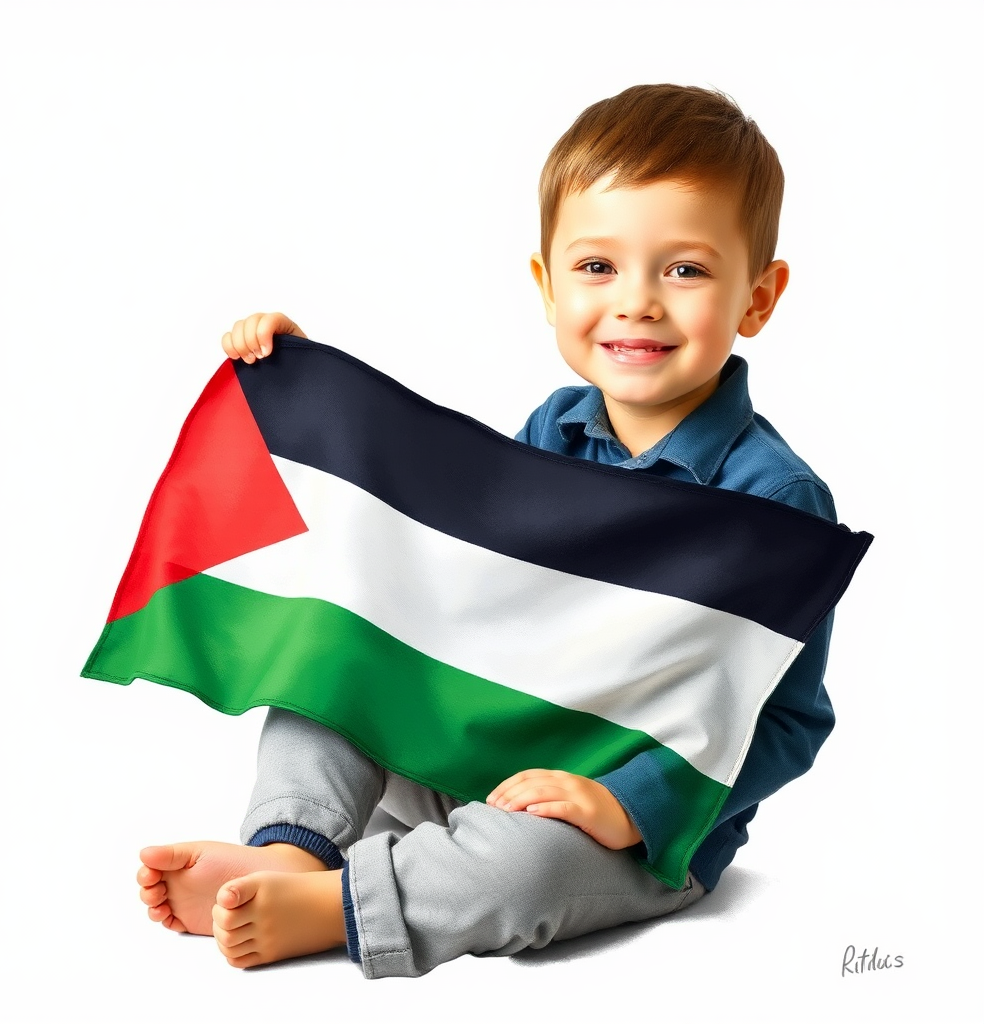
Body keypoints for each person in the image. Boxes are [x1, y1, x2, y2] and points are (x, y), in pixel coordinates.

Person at [136, 83, 838, 978]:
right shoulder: (552, 429)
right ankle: (291, 848)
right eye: (597, 268)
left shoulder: (773, 501)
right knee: (334, 665)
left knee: (526, 868)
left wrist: (624, 804)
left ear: (758, 298)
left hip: (626, 825)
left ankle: (338, 906)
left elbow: (787, 721)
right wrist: (306, 387)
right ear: (547, 285)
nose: (638, 302)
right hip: (481, 746)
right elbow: (443, 563)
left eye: (686, 270)